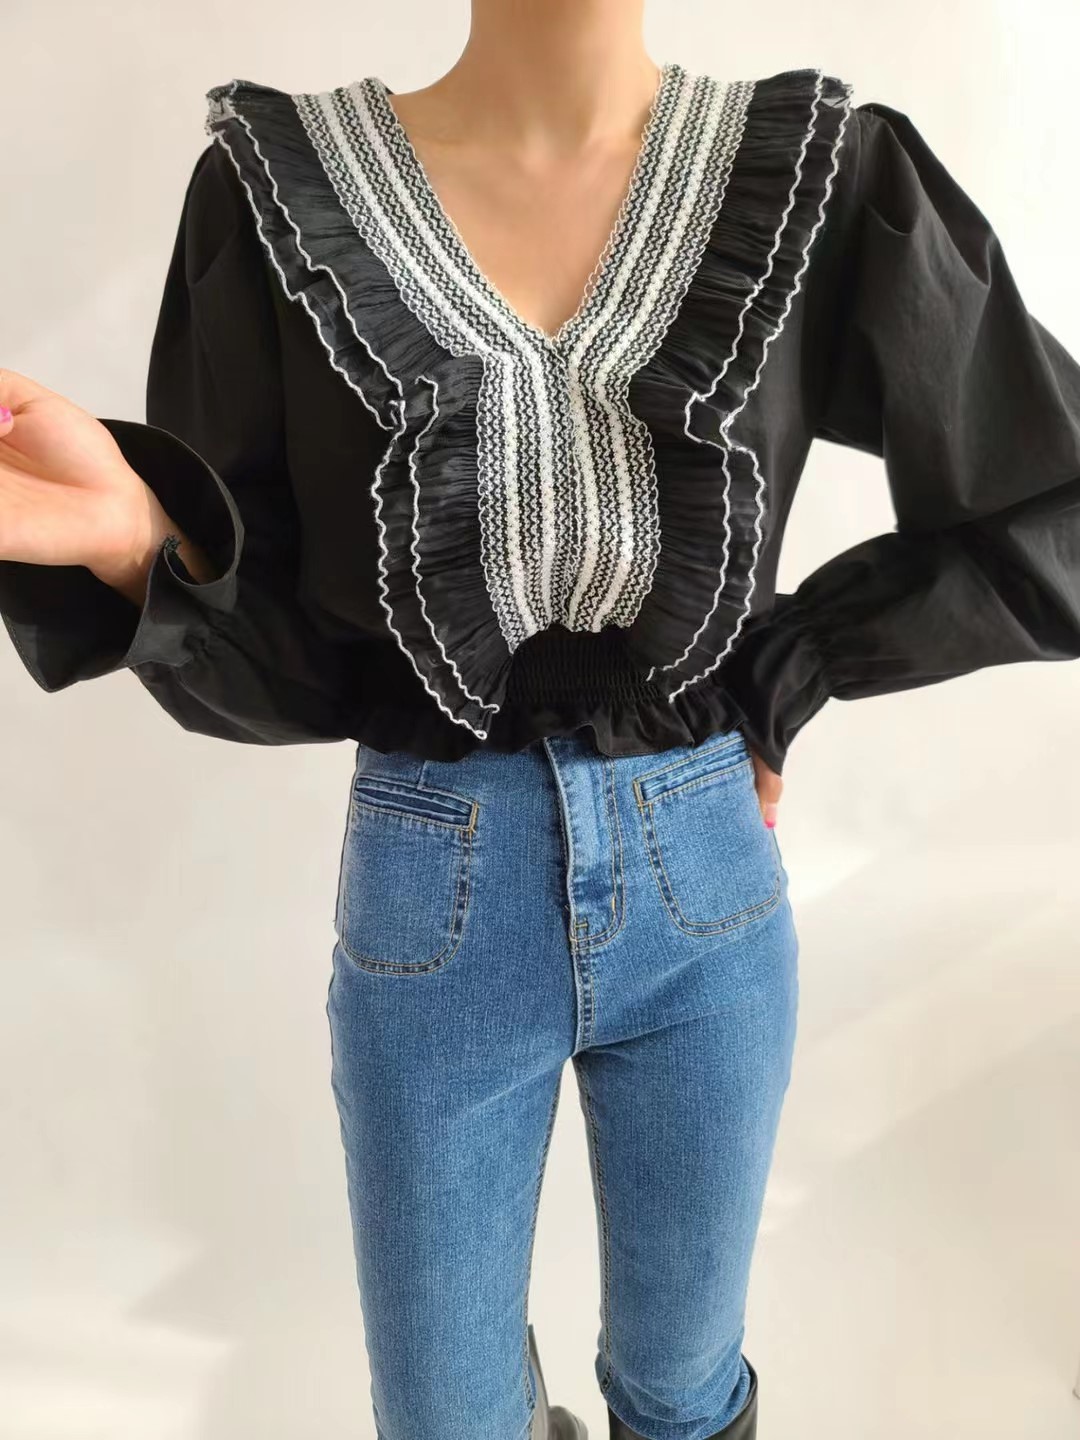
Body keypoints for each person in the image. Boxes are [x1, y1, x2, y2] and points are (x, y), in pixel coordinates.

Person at [3, 3, 1080, 1437]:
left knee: (684, 1392)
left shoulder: (821, 176)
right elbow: (294, 669)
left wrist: (793, 664)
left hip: (706, 884)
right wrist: (142, 544)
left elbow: (1049, 505)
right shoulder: (278, 194)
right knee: (446, 1419)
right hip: (433, 899)